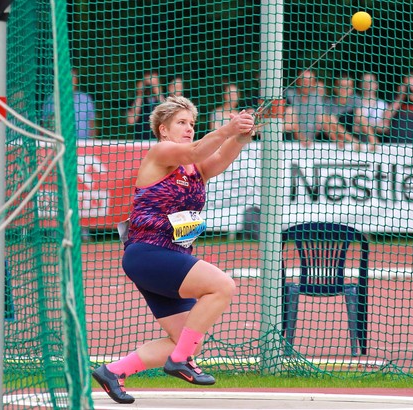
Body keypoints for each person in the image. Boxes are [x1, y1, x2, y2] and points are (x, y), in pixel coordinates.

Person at [92, 96, 255, 404]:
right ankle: (179, 362)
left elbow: (218, 160)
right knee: (222, 286)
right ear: (163, 130)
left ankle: (113, 371)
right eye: (182, 123)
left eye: (192, 124)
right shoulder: (161, 151)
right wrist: (226, 128)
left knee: (185, 340)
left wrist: (239, 136)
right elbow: (196, 150)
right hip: (149, 253)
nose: (189, 128)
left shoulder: (193, 169)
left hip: (171, 256)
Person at [285, 69, 358, 149]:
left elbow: (322, 119)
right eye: (304, 80)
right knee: (290, 112)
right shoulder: (289, 95)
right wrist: (302, 138)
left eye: (309, 81)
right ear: (297, 81)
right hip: (290, 140)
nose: (306, 84)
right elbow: (289, 119)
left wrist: (335, 138)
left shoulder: (316, 97)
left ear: (313, 83)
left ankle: (351, 141)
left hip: (312, 138)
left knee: (326, 117)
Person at [327, 74, 379, 151]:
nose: (344, 89)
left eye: (348, 86)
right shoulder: (328, 103)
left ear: (352, 89)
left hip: (350, 141)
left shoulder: (355, 100)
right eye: (341, 86)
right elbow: (331, 123)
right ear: (335, 88)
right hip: (331, 142)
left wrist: (372, 139)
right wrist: (353, 141)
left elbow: (362, 119)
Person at [42, 68, 96, 139]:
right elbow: (44, 126)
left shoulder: (86, 99)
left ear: (76, 81)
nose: (70, 81)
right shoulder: (51, 100)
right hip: (59, 145)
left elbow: (92, 125)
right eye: (67, 78)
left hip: (84, 145)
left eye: (73, 78)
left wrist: (93, 143)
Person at [126, 71, 164, 140]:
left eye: (154, 83)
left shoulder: (164, 100)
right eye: (148, 84)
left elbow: (167, 116)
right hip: (141, 141)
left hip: (159, 141)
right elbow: (131, 121)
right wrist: (140, 94)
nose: (150, 86)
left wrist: (158, 93)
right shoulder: (137, 101)